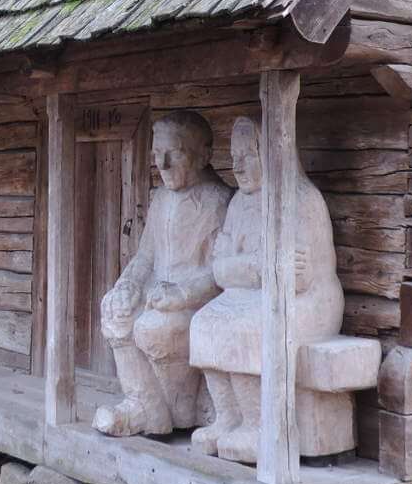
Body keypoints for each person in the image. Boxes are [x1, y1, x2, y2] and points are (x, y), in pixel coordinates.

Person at [189, 116, 341, 464]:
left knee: (246, 328)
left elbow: (298, 277)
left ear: (275, 153)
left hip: (312, 303)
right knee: (203, 321)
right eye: (234, 154)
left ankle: (258, 426)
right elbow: (220, 270)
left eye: (249, 154)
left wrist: (245, 267)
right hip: (250, 296)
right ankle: (228, 417)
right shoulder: (239, 204)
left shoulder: (302, 199)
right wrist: (260, 265)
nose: (237, 164)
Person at [93, 111, 231, 437]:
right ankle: (142, 404)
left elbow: (221, 273)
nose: (163, 163)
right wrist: (127, 285)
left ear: (205, 155)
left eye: (175, 153)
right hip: (157, 296)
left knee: (155, 328)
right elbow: (145, 257)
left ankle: (173, 411)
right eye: (157, 154)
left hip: (198, 305)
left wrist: (182, 295)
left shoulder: (221, 202)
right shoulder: (161, 199)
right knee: (114, 310)